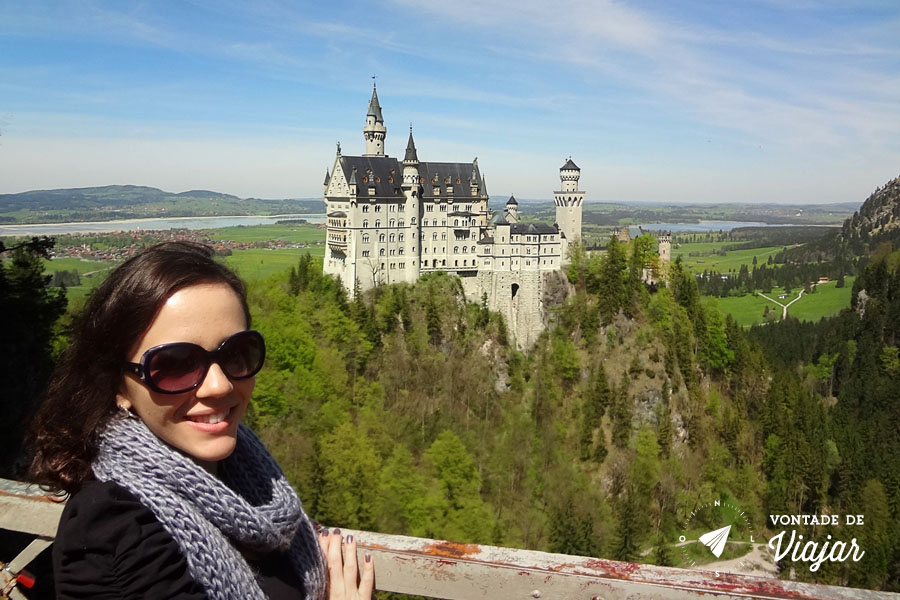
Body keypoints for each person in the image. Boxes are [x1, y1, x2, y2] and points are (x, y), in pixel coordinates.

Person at [28, 241, 374, 599]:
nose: (219, 385)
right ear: (118, 386)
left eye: (236, 353)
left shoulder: (247, 479)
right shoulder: (118, 533)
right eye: (175, 363)